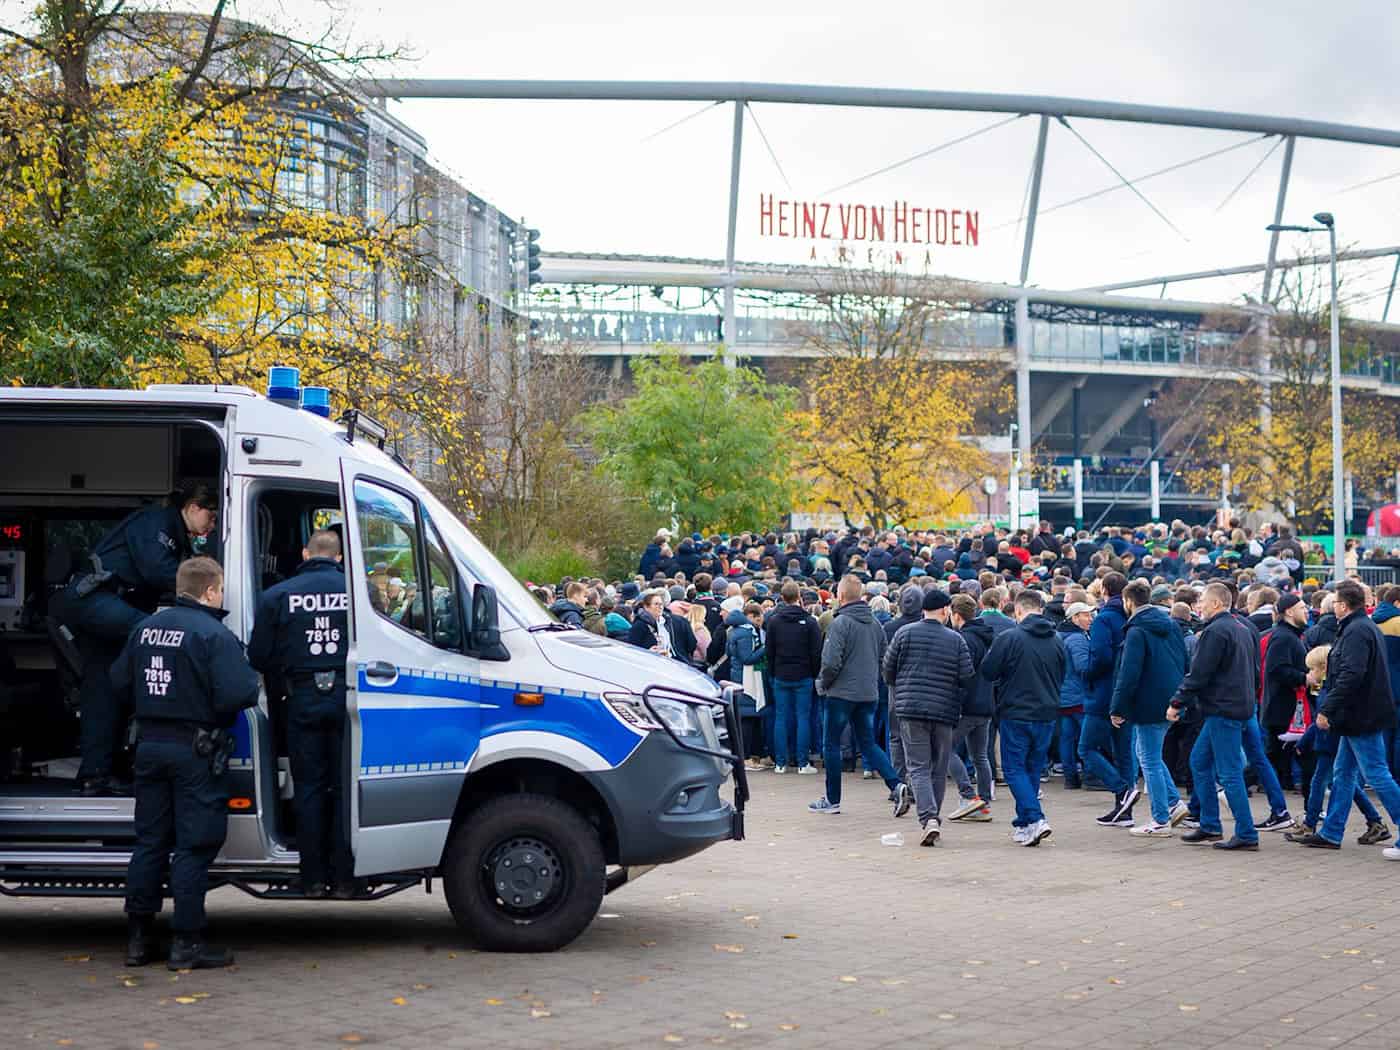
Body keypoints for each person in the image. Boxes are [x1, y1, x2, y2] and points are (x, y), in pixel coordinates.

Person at [111, 556, 260, 969]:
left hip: (149, 747)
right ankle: (186, 944)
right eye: (220, 588)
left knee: (150, 842)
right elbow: (239, 694)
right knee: (194, 847)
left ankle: (138, 942)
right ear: (210, 591)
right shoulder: (212, 634)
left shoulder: (143, 629)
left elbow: (118, 682)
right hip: (195, 751)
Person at [63, 484, 219, 796]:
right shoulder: (156, 522)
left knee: (106, 691)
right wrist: (204, 587)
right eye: (211, 517)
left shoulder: (174, 535)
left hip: (109, 608)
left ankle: (96, 774)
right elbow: (156, 570)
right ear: (191, 507)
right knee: (157, 634)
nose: (212, 525)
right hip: (95, 600)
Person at [247, 529, 355, 899]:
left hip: (300, 700)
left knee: (308, 789)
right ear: (339, 558)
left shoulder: (276, 596)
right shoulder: (358, 596)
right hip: (348, 701)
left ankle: (312, 879)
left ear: (306, 554)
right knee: (344, 788)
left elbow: (258, 656)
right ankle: (345, 878)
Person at [1293, 580, 1400, 855]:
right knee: (1343, 773)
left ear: (1342, 605)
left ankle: (1334, 830)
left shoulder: (1356, 631)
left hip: (1360, 715)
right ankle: (1331, 831)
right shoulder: (1361, 627)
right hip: (1359, 714)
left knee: (1376, 773)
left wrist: (1328, 709)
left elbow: (1351, 674)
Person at [1167, 581, 1260, 851]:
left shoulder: (1216, 631)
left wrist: (1176, 702)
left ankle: (1246, 832)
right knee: (1199, 762)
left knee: (1229, 773)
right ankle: (1209, 825)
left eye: (1203, 602)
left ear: (1217, 603)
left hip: (1224, 709)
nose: (1200, 607)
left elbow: (1199, 673)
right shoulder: (1241, 628)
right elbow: (1253, 671)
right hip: (1234, 706)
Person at [882, 588, 974, 845]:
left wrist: (902, 687)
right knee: (938, 766)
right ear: (945, 610)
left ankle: (928, 819)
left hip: (910, 709)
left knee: (918, 767)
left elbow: (888, 670)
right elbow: (967, 676)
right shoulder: (956, 640)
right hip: (944, 711)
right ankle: (933, 817)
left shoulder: (903, 633)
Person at [808, 575, 902, 815]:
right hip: (868, 692)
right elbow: (885, 658)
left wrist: (823, 684)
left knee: (831, 745)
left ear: (840, 596)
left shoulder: (840, 623)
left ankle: (832, 800)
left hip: (840, 693)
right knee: (868, 743)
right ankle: (896, 784)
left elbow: (830, 662)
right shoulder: (875, 624)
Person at [979, 588, 1066, 846]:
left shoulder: (1010, 638)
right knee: (1031, 768)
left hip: (1016, 711)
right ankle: (1024, 823)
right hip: (1047, 711)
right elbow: (1063, 673)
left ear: (1018, 610)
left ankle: (1035, 818)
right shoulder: (1057, 639)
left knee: (1015, 768)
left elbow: (988, 670)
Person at [1109, 579, 1189, 836]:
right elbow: (1185, 662)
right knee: (1148, 754)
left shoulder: (1136, 630)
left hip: (1148, 702)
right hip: (1171, 699)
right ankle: (1173, 802)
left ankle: (1160, 819)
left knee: (1150, 759)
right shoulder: (1173, 625)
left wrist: (1117, 707)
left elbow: (1128, 673)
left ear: (1129, 601)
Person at [1083, 572, 1136, 825]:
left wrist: (1087, 673)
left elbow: (1101, 657)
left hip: (1104, 692)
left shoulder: (1103, 619)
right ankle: (1123, 811)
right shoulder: (1131, 618)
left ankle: (1121, 791)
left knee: (1087, 748)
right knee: (1124, 751)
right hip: (1127, 692)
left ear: (1104, 590)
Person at [765, 581, 823, 775]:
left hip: (781, 674)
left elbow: (769, 651)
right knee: (803, 718)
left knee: (781, 717)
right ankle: (802, 762)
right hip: (804, 675)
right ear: (799, 597)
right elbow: (816, 653)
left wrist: (772, 672)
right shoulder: (810, 621)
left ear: (782, 598)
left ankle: (780, 763)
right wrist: (814, 673)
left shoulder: (774, 621)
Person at [946, 594, 995, 822]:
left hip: (967, 705)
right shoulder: (986, 636)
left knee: (944, 749)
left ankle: (969, 795)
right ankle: (984, 802)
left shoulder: (963, 639)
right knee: (980, 756)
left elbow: (962, 675)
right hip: (985, 703)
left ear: (957, 615)